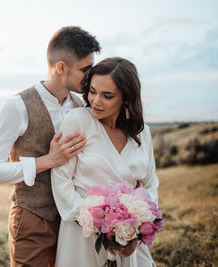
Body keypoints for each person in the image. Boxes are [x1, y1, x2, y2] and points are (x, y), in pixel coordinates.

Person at [0, 26, 100, 267]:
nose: (90, 77)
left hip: (74, 224)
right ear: (61, 67)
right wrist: (47, 161)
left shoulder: (82, 107)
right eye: (85, 70)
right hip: (32, 220)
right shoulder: (17, 106)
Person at [51, 57, 159, 267]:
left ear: (126, 98)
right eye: (92, 91)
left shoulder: (142, 132)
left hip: (128, 237)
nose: (96, 101)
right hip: (82, 233)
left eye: (107, 96)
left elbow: (150, 183)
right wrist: (100, 224)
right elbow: (61, 180)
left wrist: (136, 229)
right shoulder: (78, 120)